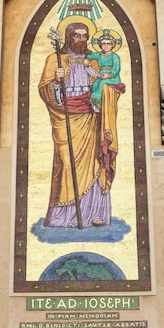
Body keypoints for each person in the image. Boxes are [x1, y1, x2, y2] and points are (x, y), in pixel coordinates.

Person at [38, 20, 124, 228]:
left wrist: (105, 91)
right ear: (68, 37)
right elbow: (44, 89)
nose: (81, 39)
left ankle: (94, 213)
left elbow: (110, 86)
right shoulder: (55, 59)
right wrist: (55, 82)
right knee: (66, 163)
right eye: (77, 35)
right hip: (65, 116)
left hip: (91, 117)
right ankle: (62, 216)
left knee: (96, 163)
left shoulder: (93, 61)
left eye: (85, 36)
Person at [84, 29, 122, 112]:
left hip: (112, 78)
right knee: (95, 83)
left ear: (113, 45)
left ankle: (99, 103)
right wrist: (87, 59)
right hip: (101, 75)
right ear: (100, 45)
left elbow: (116, 69)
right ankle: (95, 103)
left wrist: (109, 75)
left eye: (108, 44)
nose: (106, 46)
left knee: (102, 83)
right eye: (103, 44)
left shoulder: (114, 56)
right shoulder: (99, 55)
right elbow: (90, 56)